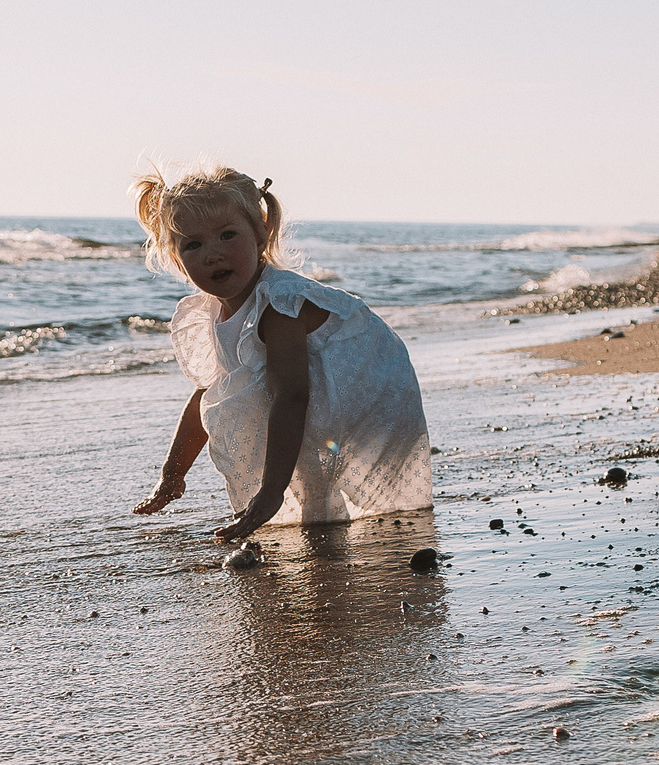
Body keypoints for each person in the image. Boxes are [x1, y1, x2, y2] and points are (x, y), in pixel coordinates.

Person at [128, 166, 431, 540]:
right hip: (319, 394)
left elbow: (292, 397)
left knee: (291, 427)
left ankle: (317, 528)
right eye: (193, 245)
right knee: (241, 394)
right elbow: (209, 393)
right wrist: (172, 475)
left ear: (260, 234)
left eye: (227, 235)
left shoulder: (279, 305)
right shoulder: (210, 309)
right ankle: (316, 523)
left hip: (371, 389)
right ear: (175, 258)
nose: (213, 254)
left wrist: (271, 494)